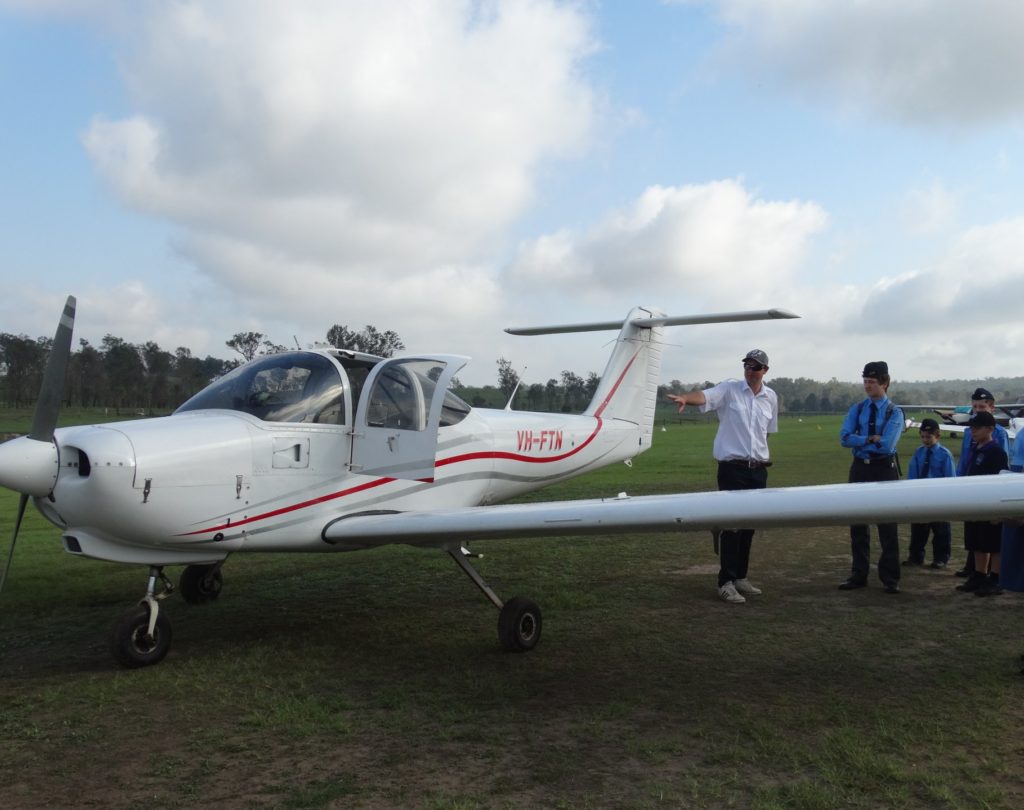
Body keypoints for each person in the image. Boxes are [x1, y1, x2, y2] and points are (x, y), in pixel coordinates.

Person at [667, 349, 778, 604]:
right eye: (747, 365)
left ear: (765, 370)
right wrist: (685, 398)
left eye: (755, 367)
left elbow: (766, 432)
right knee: (731, 525)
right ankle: (726, 582)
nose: (750, 370)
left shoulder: (770, 397)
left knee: (749, 526)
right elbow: (705, 396)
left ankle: (740, 577)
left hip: (758, 469)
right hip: (732, 469)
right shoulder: (730, 389)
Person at [838, 361, 905, 593]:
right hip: (860, 469)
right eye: (865, 381)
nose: (867, 386)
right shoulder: (857, 409)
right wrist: (868, 439)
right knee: (857, 524)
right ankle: (859, 575)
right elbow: (844, 438)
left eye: (872, 382)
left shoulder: (895, 412)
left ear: (884, 383)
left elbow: (886, 445)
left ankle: (890, 578)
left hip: (884, 469)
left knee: (887, 526)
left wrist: (861, 440)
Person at [954, 388, 1010, 577]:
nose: (977, 410)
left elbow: (1001, 468)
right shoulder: (970, 434)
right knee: (974, 535)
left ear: (991, 407)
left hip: (989, 493)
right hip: (971, 488)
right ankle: (976, 573)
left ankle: (992, 575)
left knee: (990, 538)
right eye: (975, 407)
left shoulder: (998, 435)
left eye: (982, 407)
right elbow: (965, 460)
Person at [903, 418, 956, 568]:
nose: (925, 440)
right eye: (923, 437)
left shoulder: (945, 455)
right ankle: (915, 556)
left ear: (937, 436)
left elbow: (950, 478)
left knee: (941, 530)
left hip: (938, 497)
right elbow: (912, 474)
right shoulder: (918, 453)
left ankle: (941, 558)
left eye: (929, 437)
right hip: (920, 496)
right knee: (918, 529)